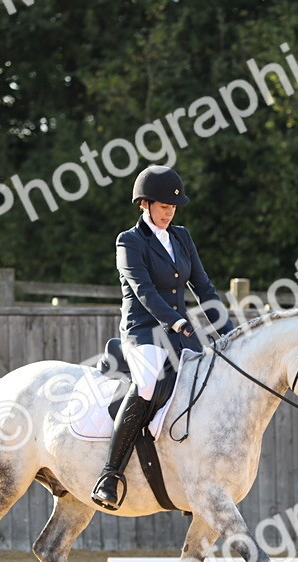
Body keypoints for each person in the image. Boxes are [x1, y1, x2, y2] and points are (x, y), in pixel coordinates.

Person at [90, 165, 235, 510]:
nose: (169, 213)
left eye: (173, 208)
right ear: (144, 204)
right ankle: (110, 474)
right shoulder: (129, 241)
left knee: (208, 386)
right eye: (163, 207)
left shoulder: (182, 237)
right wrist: (174, 322)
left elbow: (203, 287)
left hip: (180, 334)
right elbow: (143, 290)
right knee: (146, 385)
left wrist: (230, 332)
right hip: (144, 332)